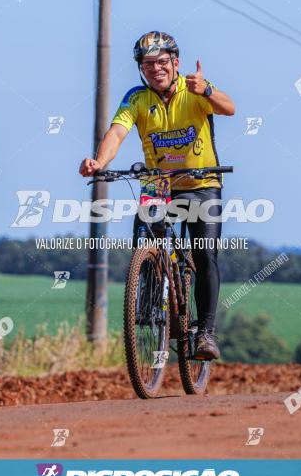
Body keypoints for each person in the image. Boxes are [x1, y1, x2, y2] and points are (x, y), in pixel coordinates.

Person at [79, 31, 235, 360]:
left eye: (162, 62)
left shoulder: (194, 90)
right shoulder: (136, 98)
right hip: (159, 185)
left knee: (205, 254)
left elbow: (229, 108)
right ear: (141, 69)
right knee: (145, 234)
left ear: (175, 63)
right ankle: (152, 296)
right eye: (148, 64)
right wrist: (99, 162)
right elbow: (117, 132)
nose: (156, 69)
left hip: (201, 184)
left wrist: (206, 89)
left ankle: (205, 332)